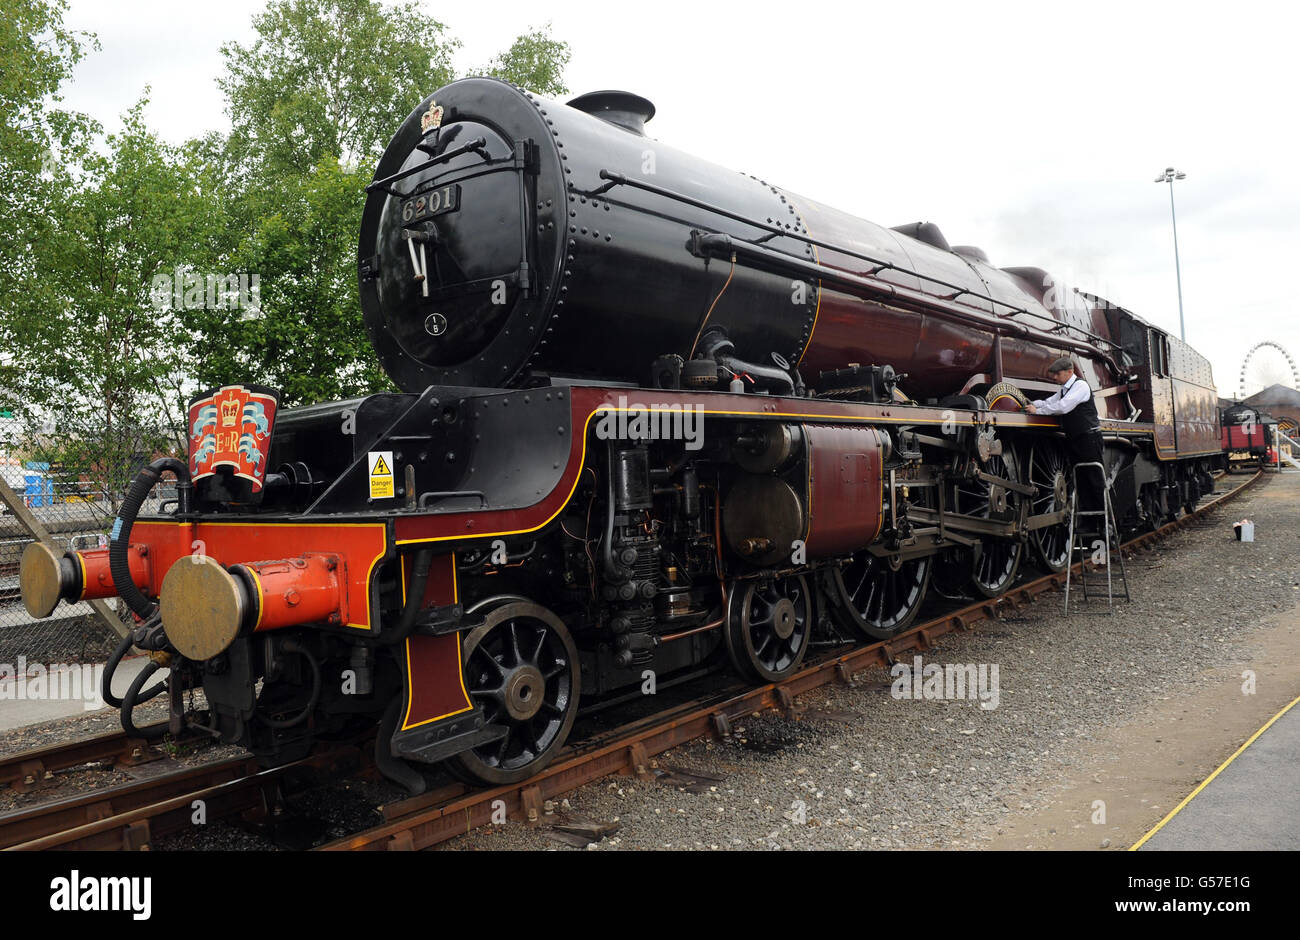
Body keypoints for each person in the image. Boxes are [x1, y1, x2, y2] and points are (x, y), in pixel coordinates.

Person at [1025, 356, 1105, 529]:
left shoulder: (1080, 386)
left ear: (1070, 372)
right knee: (1081, 481)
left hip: (1089, 439)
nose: (1054, 377)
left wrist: (1040, 410)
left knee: (1094, 481)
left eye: (1058, 374)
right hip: (1076, 439)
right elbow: (1050, 401)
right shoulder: (1064, 389)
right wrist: (1031, 404)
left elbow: (1063, 406)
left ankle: (1103, 525)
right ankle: (1089, 524)